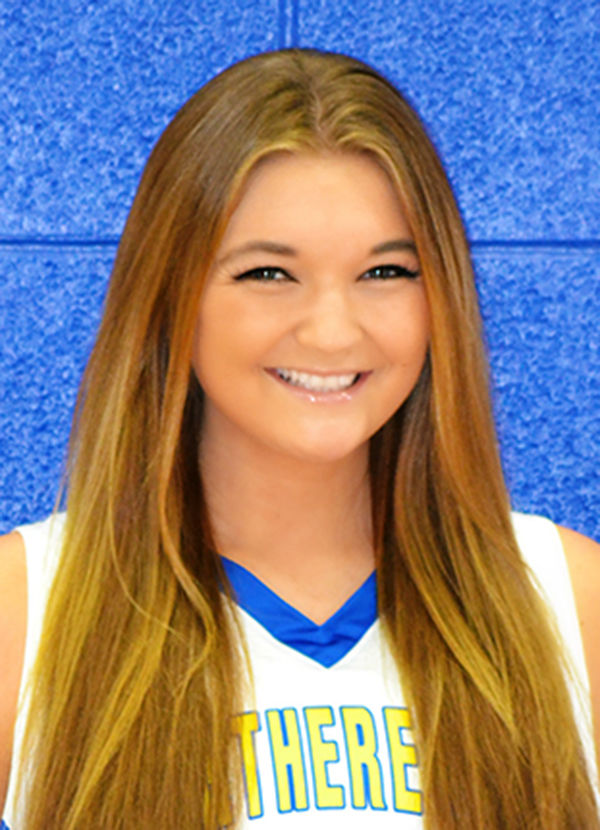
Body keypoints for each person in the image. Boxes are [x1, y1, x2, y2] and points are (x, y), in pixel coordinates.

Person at [0, 48, 598, 829]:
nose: (331, 331)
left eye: (386, 273)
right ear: (170, 295)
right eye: (267, 274)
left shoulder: (567, 598)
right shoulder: (27, 608)